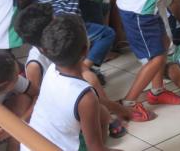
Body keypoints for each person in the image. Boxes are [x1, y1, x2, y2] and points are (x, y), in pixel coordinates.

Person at [22, 15, 116, 151]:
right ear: (86, 50)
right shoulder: (86, 97)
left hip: (30, 145)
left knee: (103, 114)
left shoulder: (51, 70)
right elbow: (96, 149)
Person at [0, 52, 38, 151]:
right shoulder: (9, 78)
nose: (20, 76)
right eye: (17, 75)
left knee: (24, 99)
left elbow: (36, 94)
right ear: (5, 84)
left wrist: (18, 124)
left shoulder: (8, 78)